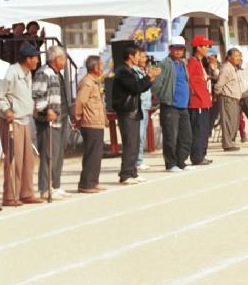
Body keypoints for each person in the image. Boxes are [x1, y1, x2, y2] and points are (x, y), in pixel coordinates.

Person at [0, 44, 43, 206]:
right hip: (12, 122)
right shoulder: (11, 73)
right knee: (14, 159)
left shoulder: (27, 73)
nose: (37, 61)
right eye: (35, 58)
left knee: (29, 159)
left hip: (25, 120)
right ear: (28, 59)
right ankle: (10, 196)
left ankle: (26, 192)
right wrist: (6, 111)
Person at [113, 46, 159, 184]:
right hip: (127, 111)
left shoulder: (130, 70)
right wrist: (149, 76)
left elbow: (141, 87)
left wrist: (150, 79)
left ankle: (132, 172)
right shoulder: (123, 72)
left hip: (134, 110)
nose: (140, 58)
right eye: (138, 55)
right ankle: (125, 174)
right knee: (130, 143)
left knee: (135, 143)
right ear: (131, 56)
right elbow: (136, 87)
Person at [32, 45, 72, 200]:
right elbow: (37, 95)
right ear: (56, 59)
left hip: (61, 119)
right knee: (49, 154)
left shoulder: (57, 73)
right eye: (63, 59)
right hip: (48, 120)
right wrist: (45, 109)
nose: (65, 62)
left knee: (58, 154)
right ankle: (45, 188)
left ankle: (55, 185)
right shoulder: (43, 72)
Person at [152, 37, 193, 172]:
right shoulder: (164, 64)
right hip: (170, 105)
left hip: (183, 106)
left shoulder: (183, 63)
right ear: (170, 49)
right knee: (171, 136)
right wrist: (163, 97)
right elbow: (156, 85)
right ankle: (171, 164)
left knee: (186, 136)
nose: (178, 51)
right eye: (175, 48)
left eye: (181, 48)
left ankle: (181, 161)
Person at [74, 56, 106, 193]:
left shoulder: (94, 82)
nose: (103, 68)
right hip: (90, 122)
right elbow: (80, 102)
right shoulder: (87, 82)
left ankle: (93, 181)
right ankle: (86, 183)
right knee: (92, 154)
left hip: (97, 122)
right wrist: (78, 117)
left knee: (97, 154)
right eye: (101, 66)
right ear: (95, 68)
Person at [187, 35, 214, 166]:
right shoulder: (193, 62)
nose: (207, 48)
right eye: (205, 46)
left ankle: (201, 154)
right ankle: (197, 156)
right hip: (197, 102)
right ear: (198, 47)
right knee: (198, 130)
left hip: (203, 101)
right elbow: (190, 81)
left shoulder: (199, 62)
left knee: (203, 129)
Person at [215, 48, 244, 151]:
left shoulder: (234, 67)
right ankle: (227, 144)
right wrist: (218, 94)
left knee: (234, 122)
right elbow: (219, 84)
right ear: (229, 57)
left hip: (235, 98)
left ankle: (231, 142)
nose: (239, 58)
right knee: (228, 121)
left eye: (239, 56)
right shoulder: (226, 68)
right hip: (227, 98)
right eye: (236, 56)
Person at [134, 49, 154, 171]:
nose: (145, 59)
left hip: (146, 105)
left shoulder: (144, 71)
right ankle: (137, 161)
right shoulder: (135, 72)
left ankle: (139, 159)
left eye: (145, 57)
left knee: (142, 135)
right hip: (139, 106)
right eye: (142, 56)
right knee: (139, 135)